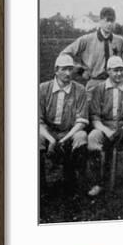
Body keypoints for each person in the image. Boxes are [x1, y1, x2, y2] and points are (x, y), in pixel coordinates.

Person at [86, 57, 123, 197]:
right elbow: (95, 117)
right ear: (108, 71)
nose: (118, 74)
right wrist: (106, 131)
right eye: (115, 71)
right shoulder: (99, 89)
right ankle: (97, 183)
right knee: (93, 137)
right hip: (104, 127)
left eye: (121, 70)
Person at [39, 54, 89, 194]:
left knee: (81, 136)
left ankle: (74, 182)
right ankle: (40, 185)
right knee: (36, 139)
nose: (68, 73)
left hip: (69, 131)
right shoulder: (43, 88)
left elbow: (82, 120)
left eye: (70, 69)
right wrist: (51, 139)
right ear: (56, 70)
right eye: (64, 69)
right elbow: (38, 120)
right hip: (48, 132)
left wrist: (64, 139)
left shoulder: (79, 90)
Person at [60, 7, 123, 92]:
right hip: (94, 82)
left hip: (115, 83)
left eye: (112, 21)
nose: (109, 24)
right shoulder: (87, 39)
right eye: (106, 20)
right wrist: (80, 70)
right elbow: (64, 55)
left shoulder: (120, 41)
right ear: (100, 21)